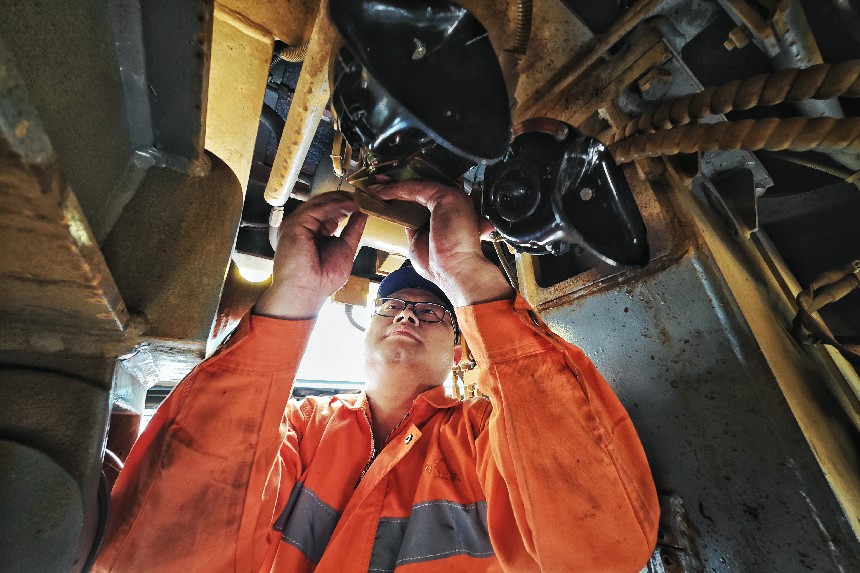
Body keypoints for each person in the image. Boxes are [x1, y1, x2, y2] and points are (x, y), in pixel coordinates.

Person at [93, 182, 659, 572]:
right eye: (391, 308)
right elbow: (157, 551)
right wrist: (292, 299)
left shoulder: (487, 438)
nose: (408, 314)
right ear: (365, 332)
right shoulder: (298, 430)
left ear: (461, 351)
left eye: (432, 310)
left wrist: (464, 273)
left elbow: (602, 550)